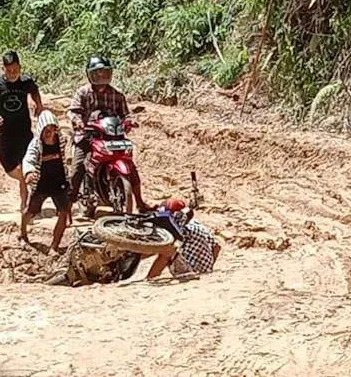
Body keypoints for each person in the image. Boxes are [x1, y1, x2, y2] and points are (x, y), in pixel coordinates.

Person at [45, 197, 220, 286]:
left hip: (190, 274)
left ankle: (148, 279)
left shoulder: (174, 235)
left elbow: (164, 254)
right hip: (205, 271)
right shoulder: (198, 226)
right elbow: (217, 247)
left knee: (168, 250)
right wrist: (208, 267)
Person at [66, 55, 150, 212]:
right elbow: (73, 112)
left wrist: (130, 121)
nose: (101, 75)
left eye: (105, 72)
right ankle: (67, 208)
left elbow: (126, 114)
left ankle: (139, 202)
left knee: (130, 165)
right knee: (78, 167)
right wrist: (77, 121)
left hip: (113, 136)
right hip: (87, 136)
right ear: (90, 74)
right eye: (97, 72)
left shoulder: (117, 95)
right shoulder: (83, 93)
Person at [0, 50, 44, 212]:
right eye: (9, 71)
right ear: (3, 69)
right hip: (4, 136)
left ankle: (25, 205)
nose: (13, 73)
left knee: (24, 169)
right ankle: (27, 200)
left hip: (24, 135)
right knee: (10, 169)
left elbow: (35, 92)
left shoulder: (26, 82)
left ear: (20, 68)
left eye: (15, 70)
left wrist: (39, 105)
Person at [20, 110, 70, 253]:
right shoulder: (36, 144)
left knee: (63, 212)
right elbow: (29, 158)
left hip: (59, 181)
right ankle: (23, 234)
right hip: (41, 183)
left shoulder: (62, 140)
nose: (49, 133)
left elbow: (70, 153)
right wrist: (29, 172)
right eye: (46, 130)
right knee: (31, 211)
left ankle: (54, 246)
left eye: (52, 130)